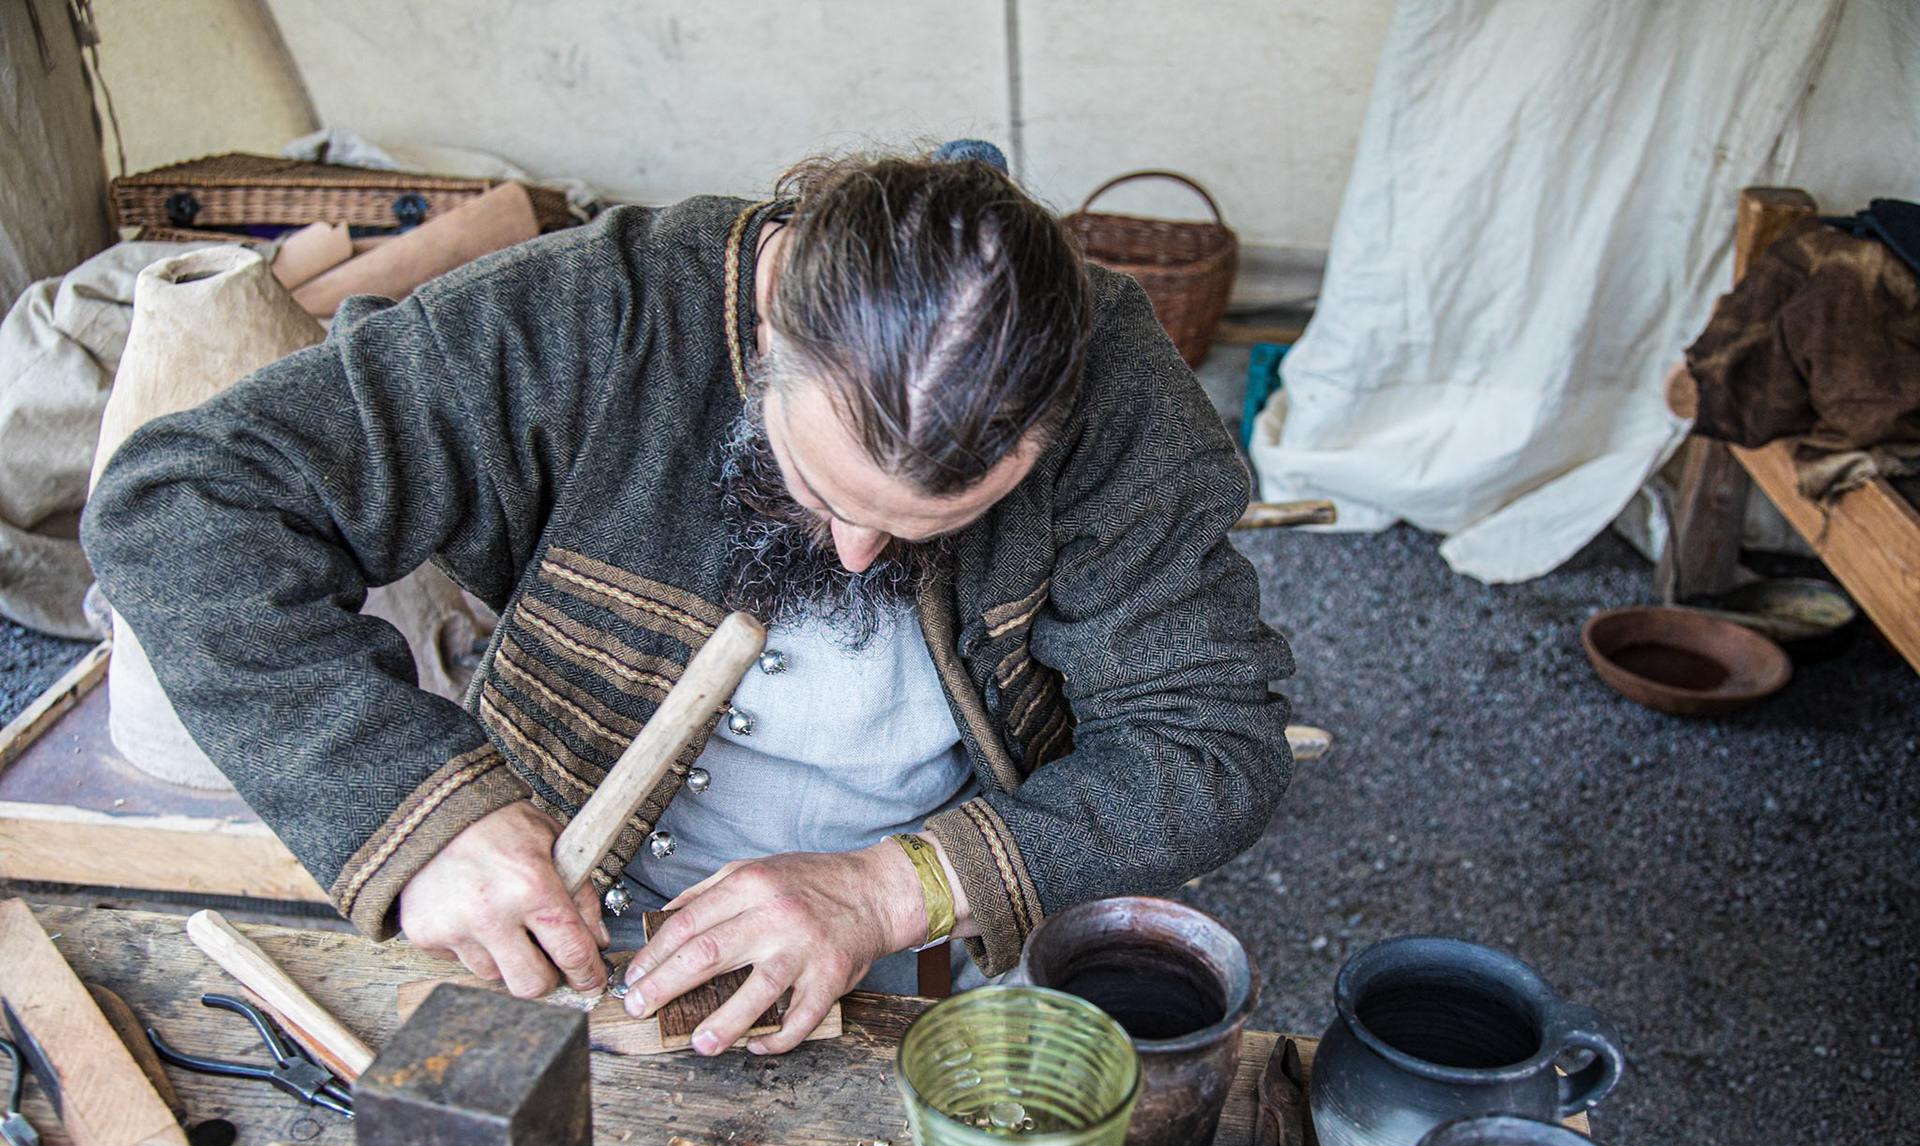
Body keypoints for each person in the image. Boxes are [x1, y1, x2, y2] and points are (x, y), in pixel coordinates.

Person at [83, 144, 1294, 1055]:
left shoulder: (1117, 395)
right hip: (562, 917)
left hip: (927, 938)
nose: (863, 553)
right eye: (825, 488)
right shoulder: (589, 315)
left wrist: (891, 889)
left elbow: (1210, 743)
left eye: (933, 523)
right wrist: (413, 800)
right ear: (769, 328)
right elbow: (185, 500)